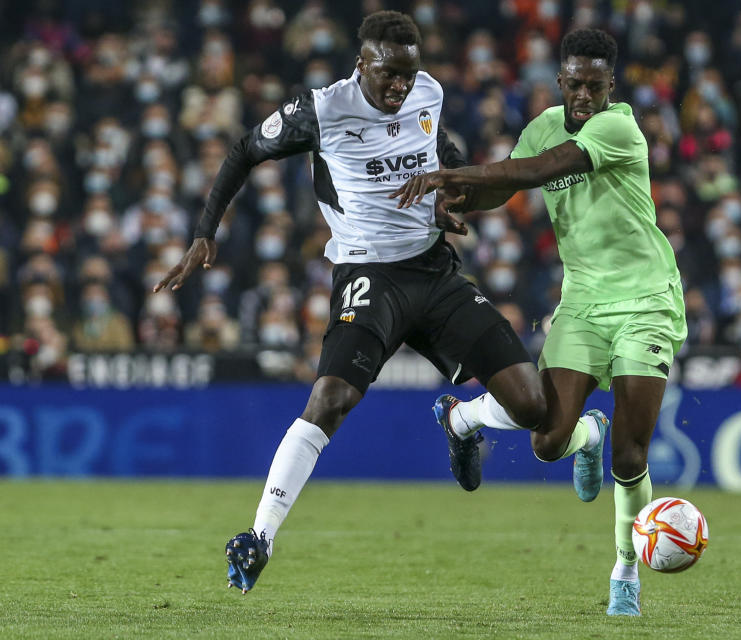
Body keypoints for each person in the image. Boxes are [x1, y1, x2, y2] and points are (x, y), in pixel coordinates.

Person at [153, 11, 547, 594]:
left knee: (533, 406)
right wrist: (205, 233)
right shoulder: (322, 109)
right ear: (362, 64)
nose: (400, 87)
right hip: (369, 274)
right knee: (331, 398)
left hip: (435, 272)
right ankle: (259, 535)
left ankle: (462, 420)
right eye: (389, 74)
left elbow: (441, 146)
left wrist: (448, 195)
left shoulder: (428, 92)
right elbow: (242, 151)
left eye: (408, 75)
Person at [392, 28, 686, 617]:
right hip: (581, 301)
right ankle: (586, 434)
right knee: (548, 442)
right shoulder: (543, 125)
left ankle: (625, 567)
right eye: (574, 84)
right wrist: (458, 205)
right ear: (559, 80)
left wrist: (453, 177)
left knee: (630, 458)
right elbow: (504, 189)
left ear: (611, 86)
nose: (583, 96)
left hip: (645, 301)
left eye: (594, 86)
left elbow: (538, 172)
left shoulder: (618, 128)